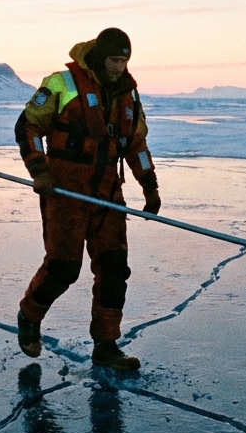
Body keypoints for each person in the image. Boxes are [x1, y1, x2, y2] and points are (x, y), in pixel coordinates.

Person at [14, 28, 160, 371]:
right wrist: (40, 170)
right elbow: (28, 126)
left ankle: (106, 347)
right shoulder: (63, 84)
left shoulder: (129, 95)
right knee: (63, 269)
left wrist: (150, 187)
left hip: (108, 196)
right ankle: (29, 315)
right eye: (114, 60)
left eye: (124, 61)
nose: (119, 67)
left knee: (113, 269)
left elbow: (136, 144)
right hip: (66, 194)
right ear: (98, 56)